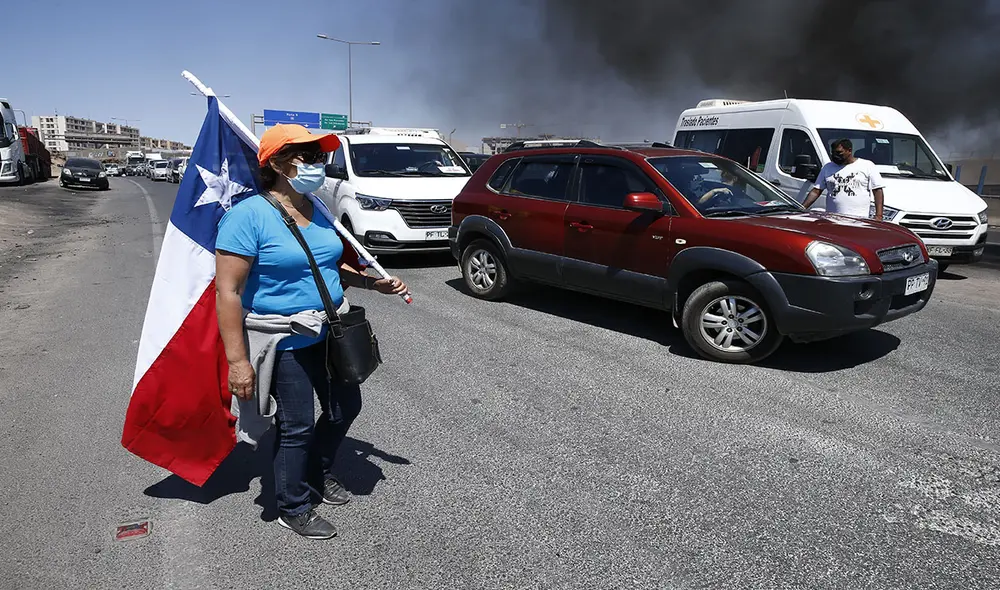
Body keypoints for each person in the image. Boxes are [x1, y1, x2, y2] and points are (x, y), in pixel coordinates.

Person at [214, 124, 407, 540]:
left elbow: (328, 267)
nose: (320, 164)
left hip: (330, 331)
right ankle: (292, 504)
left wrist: (374, 283)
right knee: (296, 425)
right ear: (280, 164)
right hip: (283, 339)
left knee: (344, 408)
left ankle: (317, 472)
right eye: (311, 156)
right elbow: (227, 291)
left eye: (321, 156)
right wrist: (238, 362)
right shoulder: (247, 217)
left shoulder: (317, 207)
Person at [803, 138, 885, 219]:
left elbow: (877, 190)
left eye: (839, 153)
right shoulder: (827, 167)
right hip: (832, 219)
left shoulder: (867, 166)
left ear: (849, 150)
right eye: (833, 153)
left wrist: (879, 215)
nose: (835, 156)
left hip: (859, 220)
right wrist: (802, 208)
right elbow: (816, 191)